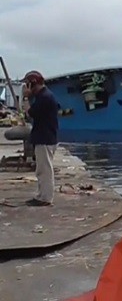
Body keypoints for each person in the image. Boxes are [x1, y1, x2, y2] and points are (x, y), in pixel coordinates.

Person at [22, 70, 59, 206]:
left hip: (45, 138)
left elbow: (31, 113)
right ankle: (41, 195)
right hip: (45, 137)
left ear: (33, 84)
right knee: (41, 170)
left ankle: (45, 198)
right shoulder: (44, 96)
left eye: (27, 84)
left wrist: (26, 98)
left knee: (45, 170)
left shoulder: (44, 98)